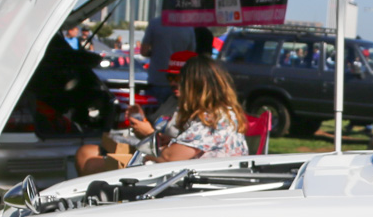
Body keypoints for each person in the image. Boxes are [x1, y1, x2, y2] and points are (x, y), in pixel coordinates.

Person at [76, 56, 247, 175]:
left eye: (180, 80)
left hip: (193, 182)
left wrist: (151, 137)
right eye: (170, 77)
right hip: (191, 175)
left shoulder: (212, 119)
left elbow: (169, 157)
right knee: (87, 155)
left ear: (195, 87)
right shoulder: (222, 113)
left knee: (92, 165)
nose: (174, 83)